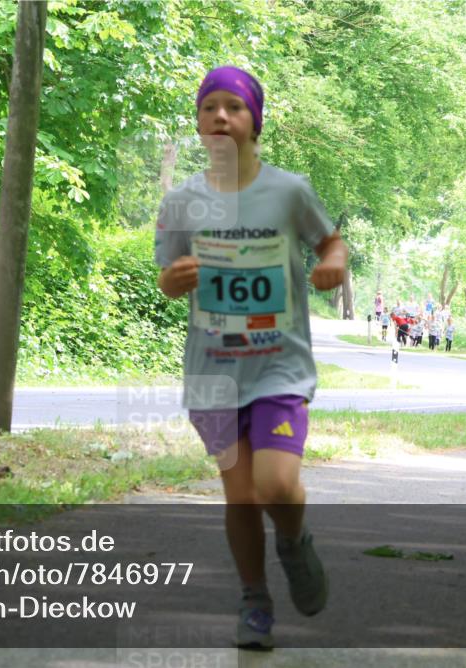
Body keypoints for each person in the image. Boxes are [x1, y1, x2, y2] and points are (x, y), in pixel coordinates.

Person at [155, 66, 343, 650]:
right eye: (209, 107)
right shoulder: (182, 202)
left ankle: (293, 540)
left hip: (279, 368)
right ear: (198, 122)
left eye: (234, 107)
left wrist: (332, 263)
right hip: (213, 374)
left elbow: (330, 241)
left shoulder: (288, 192)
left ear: (254, 122)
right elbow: (167, 276)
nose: (221, 116)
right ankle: (254, 600)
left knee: (276, 486)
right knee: (240, 495)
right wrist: (175, 279)